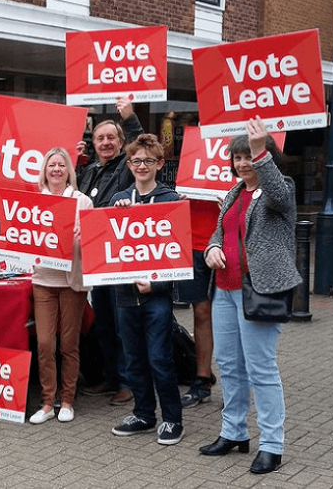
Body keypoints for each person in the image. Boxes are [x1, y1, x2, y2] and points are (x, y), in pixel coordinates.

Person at [200, 117, 301, 475]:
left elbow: (276, 191)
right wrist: (211, 248)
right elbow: (219, 231)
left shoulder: (280, 189)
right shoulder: (233, 192)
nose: (242, 163)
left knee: (261, 369)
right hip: (225, 290)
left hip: (258, 291)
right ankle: (234, 432)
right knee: (229, 365)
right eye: (238, 157)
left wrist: (261, 152)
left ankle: (272, 445)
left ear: (265, 155)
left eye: (249, 156)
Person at [109, 134, 184, 446]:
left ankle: (172, 419)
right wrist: (116, 214)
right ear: (129, 164)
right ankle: (143, 413)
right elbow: (108, 245)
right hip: (125, 296)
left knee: (159, 359)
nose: (142, 166)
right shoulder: (119, 199)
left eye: (148, 161)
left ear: (160, 164)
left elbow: (178, 254)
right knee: (134, 358)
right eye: (136, 161)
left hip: (157, 296)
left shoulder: (172, 200)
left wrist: (158, 284)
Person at [75, 97, 143, 406]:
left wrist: (129, 118)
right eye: (100, 138)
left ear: (120, 142)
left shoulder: (127, 167)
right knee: (103, 323)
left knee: (121, 324)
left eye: (111, 138)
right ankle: (110, 378)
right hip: (94, 259)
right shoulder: (89, 171)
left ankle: (128, 383)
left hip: (119, 259)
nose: (105, 142)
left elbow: (141, 144)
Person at [28, 148, 93, 425]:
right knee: (44, 343)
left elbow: (93, 243)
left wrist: (82, 236)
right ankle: (46, 402)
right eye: (51, 165)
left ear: (69, 171)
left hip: (72, 282)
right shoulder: (33, 201)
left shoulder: (83, 202)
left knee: (68, 344)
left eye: (61, 165)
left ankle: (67, 400)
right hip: (43, 280)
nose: (56, 169)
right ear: (44, 170)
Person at [176, 199, 220, 407]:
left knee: (232, 316)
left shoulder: (240, 166)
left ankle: (236, 385)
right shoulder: (186, 166)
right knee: (201, 312)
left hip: (226, 242)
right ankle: (202, 380)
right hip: (192, 241)